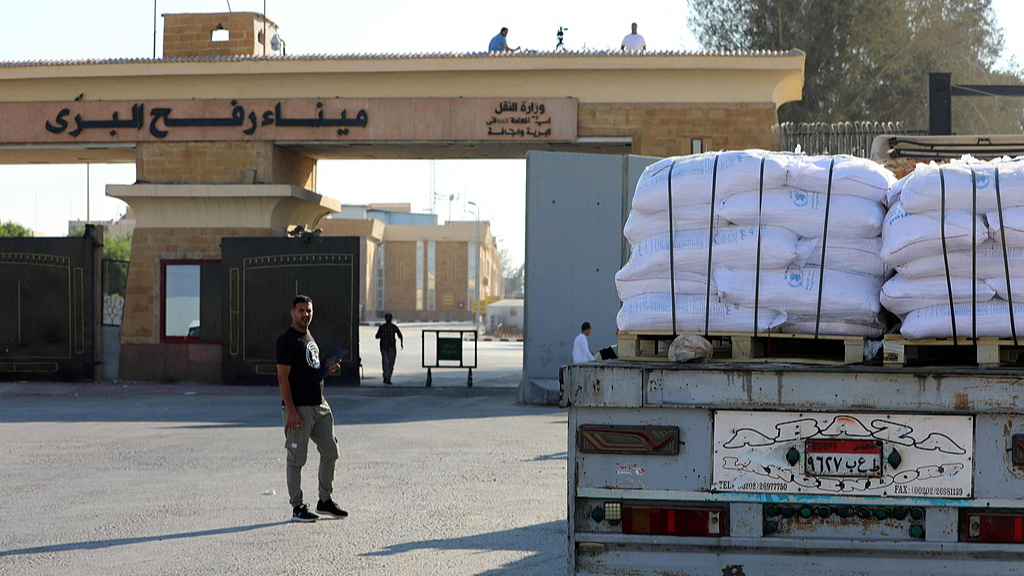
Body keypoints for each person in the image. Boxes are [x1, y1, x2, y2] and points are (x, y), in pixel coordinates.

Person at [276, 294, 348, 523]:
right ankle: (297, 506)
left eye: (308, 310)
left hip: (319, 405)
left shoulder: (308, 336)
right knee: (297, 458)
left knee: (331, 452)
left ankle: (324, 500)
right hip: (299, 408)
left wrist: (327, 369)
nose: (305, 314)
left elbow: (310, 370)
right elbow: (282, 378)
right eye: (300, 310)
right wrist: (292, 411)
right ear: (292, 313)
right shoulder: (286, 340)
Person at [375, 312, 403, 385]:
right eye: (387, 318)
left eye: (390, 318)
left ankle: (388, 378)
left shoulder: (394, 327)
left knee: (391, 364)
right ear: (385, 319)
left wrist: (401, 343)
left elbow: (400, 334)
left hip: (392, 348)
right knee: (386, 362)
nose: (389, 319)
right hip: (384, 347)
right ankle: (386, 377)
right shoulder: (382, 327)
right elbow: (376, 336)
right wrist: (382, 335)